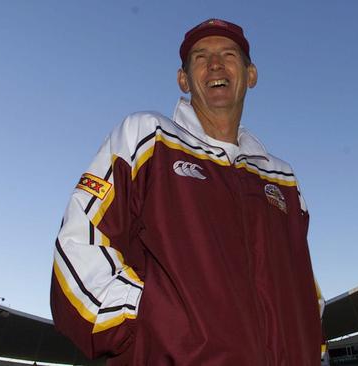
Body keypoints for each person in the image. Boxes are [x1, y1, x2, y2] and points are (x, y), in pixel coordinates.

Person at [50, 18, 325, 365]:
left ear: (250, 75)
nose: (215, 64)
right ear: (183, 79)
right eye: (200, 57)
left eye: (228, 54)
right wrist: (159, 323)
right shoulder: (147, 137)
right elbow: (79, 243)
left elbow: (306, 291)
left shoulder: (282, 178)